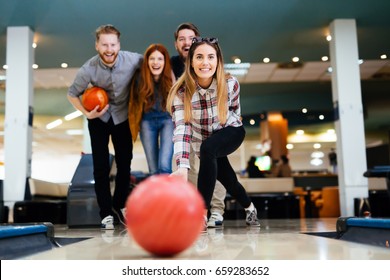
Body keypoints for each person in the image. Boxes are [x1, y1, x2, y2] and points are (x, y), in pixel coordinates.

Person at [167, 36, 261, 230]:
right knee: (229, 181)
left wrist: (224, 133)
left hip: (230, 131)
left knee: (208, 147)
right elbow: (181, 131)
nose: (205, 62)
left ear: (217, 60)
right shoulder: (181, 93)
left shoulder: (230, 84)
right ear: (191, 62)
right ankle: (250, 207)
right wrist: (182, 167)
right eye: (199, 57)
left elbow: (235, 110)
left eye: (211, 57)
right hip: (204, 141)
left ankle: (201, 213)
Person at [67, 24, 143, 230]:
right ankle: (106, 213)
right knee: (100, 166)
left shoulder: (133, 59)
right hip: (98, 118)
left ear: (119, 45)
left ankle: (119, 205)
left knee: (124, 163)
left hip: (123, 117)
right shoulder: (88, 69)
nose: (109, 49)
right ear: (97, 46)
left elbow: (155, 64)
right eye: (104, 45)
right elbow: (72, 94)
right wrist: (86, 113)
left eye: (113, 44)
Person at [171, 23, 227, 228]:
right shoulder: (173, 68)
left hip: (213, 126)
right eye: (182, 38)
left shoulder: (216, 70)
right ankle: (196, 210)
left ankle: (217, 210)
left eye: (191, 38)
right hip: (188, 123)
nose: (187, 42)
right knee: (189, 167)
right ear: (176, 43)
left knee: (216, 164)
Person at [128, 44, 175, 175]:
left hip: (167, 120)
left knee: (164, 166)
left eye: (160, 59)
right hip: (147, 122)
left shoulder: (170, 77)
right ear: (147, 61)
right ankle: (156, 196)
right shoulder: (139, 78)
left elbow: (177, 100)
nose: (156, 62)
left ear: (165, 62)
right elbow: (133, 103)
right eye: (152, 59)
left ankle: (166, 196)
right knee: (154, 169)